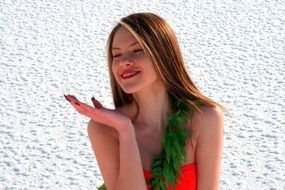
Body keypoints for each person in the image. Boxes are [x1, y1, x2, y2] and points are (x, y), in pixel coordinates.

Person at [64, 12, 225, 190]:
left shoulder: (204, 118)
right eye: (116, 55)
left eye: (137, 50)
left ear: (164, 54)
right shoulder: (104, 128)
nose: (124, 62)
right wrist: (125, 130)